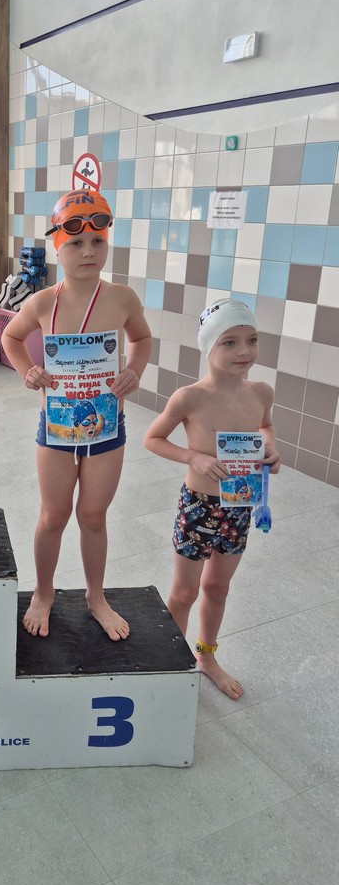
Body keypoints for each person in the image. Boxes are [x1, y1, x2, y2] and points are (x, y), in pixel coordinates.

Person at [2, 189, 152, 639]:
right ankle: (43, 591)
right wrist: (27, 371)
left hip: (106, 425)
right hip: (56, 426)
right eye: (76, 243)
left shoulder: (122, 298)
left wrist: (134, 370)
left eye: (97, 241)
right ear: (57, 246)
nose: (88, 251)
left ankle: (95, 596)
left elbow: (142, 339)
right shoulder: (43, 301)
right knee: (53, 515)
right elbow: (10, 337)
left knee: (93, 516)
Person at [143, 298, 281, 699]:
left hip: (239, 505)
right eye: (229, 342)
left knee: (218, 587)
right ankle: (168, 662)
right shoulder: (190, 397)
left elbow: (266, 427)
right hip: (199, 507)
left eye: (251, 340)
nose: (244, 351)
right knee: (184, 592)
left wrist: (270, 450)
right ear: (208, 347)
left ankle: (206, 657)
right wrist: (193, 457)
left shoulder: (261, 392)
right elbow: (153, 438)